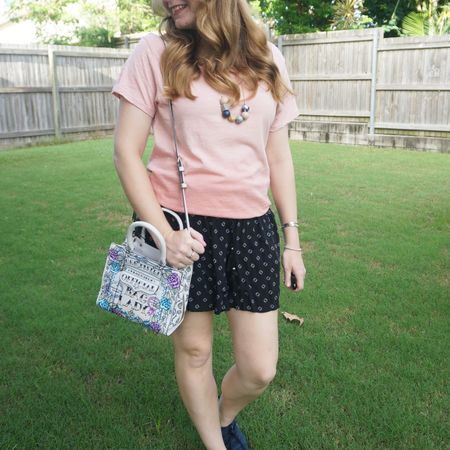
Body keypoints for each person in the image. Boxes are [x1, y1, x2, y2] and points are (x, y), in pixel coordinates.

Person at [111, 1, 306, 448]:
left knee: (260, 368)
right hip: (181, 226)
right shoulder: (155, 52)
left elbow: (279, 157)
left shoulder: (268, 59)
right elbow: (126, 152)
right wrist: (163, 233)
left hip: (252, 228)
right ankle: (215, 444)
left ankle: (221, 414)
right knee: (195, 350)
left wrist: (291, 240)